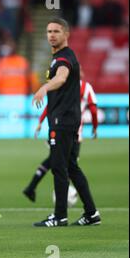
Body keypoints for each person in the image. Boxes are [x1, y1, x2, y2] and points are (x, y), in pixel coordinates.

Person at [32, 18, 100, 227]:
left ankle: (59, 215)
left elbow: (61, 78)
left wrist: (44, 88)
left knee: (60, 168)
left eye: (56, 31)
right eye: (49, 31)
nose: (51, 35)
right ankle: (91, 213)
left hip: (62, 121)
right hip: (67, 120)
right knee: (71, 168)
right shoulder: (60, 57)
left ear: (66, 34)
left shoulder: (64, 58)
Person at [24, 68, 99, 202]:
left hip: (58, 129)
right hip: (73, 133)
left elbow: (50, 106)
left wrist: (41, 122)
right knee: (69, 166)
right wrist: (95, 127)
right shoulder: (85, 87)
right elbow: (93, 109)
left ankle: (32, 188)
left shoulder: (63, 86)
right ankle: (66, 203)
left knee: (55, 161)